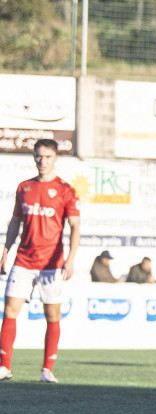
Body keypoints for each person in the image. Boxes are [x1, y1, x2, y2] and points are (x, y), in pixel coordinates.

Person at [0, 138, 81, 383]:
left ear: (56, 158)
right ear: (34, 156)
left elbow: (75, 226)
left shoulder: (66, 190)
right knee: (9, 312)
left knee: (52, 315)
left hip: (51, 264)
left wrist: (70, 258)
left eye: (47, 156)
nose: (42, 161)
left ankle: (47, 370)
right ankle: (4, 366)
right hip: (23, 261)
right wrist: (5, 252)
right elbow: (15, 222)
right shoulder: (24, 187)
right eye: (38, 156)